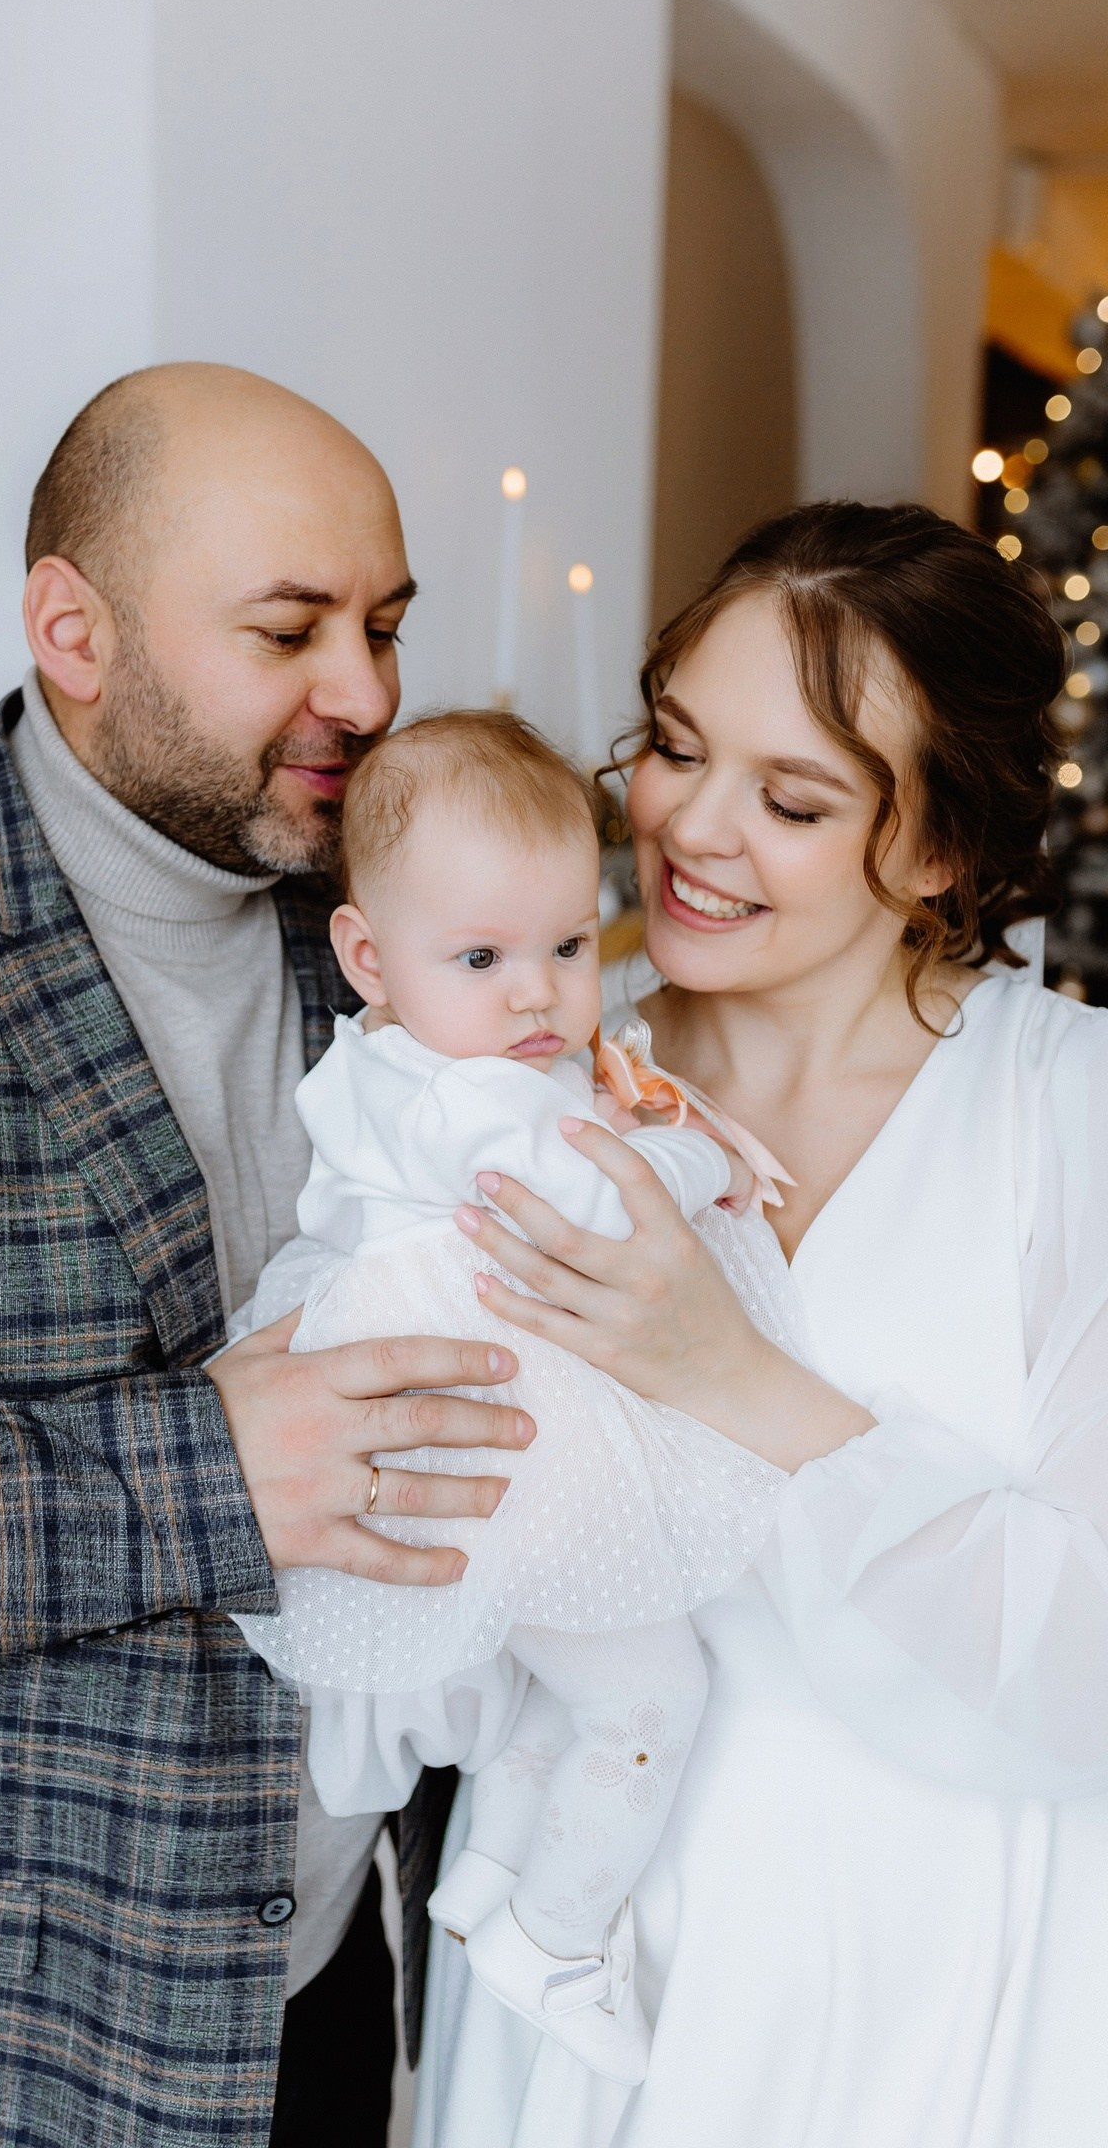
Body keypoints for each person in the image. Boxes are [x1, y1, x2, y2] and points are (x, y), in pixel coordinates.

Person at [0, 363, 532, 2148]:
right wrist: (196, 1475)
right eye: (288, 631)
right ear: (73, 629)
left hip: (317, 2007)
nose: (367, 695)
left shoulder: (394, 932)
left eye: (384, 627)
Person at [413, 501, 1108, 2148]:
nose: (691, 829)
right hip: (583, 1945)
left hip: (937, 1968)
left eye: (792, 800)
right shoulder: (529, 1079)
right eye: (674, 748)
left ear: (939, 852)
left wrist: (727, 1376)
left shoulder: (1067, 1117)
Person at [230, 708, 799, 2083]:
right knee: (655, 1695)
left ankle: (489, 1878)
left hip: (506, 1437)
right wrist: (703, 1160)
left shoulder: (426, 1056)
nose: (539, 995)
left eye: (567, 945)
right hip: (500, 1441)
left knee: (570, 1672)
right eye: (483, 959)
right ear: (368, 956)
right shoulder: (461, 1102)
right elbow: (591, 1200)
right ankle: (557, 1936)